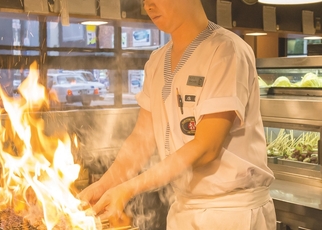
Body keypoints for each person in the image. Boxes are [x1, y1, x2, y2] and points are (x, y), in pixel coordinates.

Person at [79, 0, 277, 229]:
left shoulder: (225, 50)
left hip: (230, 213)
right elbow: (141, 140)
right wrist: (103, 186)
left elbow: (206, 147)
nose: (148, 6)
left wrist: (129, 188)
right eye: (144, 0)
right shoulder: (157, 61)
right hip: (183, 209)